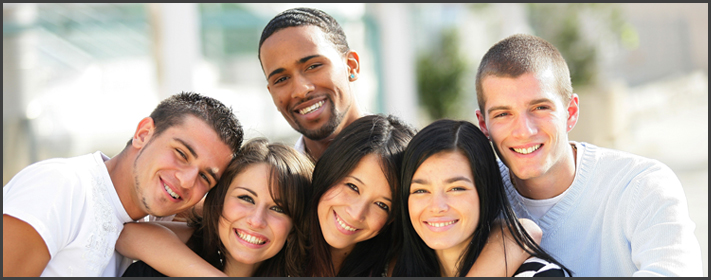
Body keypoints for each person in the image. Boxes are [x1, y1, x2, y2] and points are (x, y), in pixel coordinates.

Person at [474, 33, 703, 276]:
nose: (524, 131)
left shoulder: (641, 187)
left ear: (571, 112)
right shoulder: (470, 196)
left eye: (540, 108)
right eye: (502, 114)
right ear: (484, 125)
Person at [2, 92, 244, 277]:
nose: (186, 180)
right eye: (181, 153)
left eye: (205, 177)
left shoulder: (150, 225)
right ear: (143, 134)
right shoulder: (62, 187)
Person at [392, 119, 569, 277]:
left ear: (485, 192)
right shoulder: (392, 270)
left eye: (456, 188)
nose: (437, 206)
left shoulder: (536, 274)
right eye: (421, 191)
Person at [117, 138, 314, 277]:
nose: (256, 220)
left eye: (278, 209)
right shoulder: (150, 274)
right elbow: (125, 235)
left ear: (294, 225)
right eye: (246, 198)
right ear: (219, 201)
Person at [297, 114, 414, 276]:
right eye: (353, 187)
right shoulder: (275, 242)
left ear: (393, 217)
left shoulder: (397, 271)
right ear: (330, 170)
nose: (357, 213)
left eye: (381, 205)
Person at [258, 7, 366, 161]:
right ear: (271, 93)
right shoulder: (278, 182)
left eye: (313, 66)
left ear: (351, 65)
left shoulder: (405, 164)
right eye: (281, 79)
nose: (301, 90)